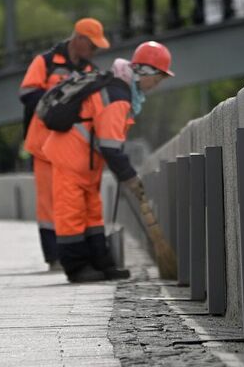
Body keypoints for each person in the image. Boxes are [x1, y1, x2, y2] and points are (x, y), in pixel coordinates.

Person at [38, 40, 173, 283]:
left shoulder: (116, 90)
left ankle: (102, 263)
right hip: (70, 158)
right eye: (158, 77)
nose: (157, 84)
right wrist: (130, 177)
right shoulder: (117, 97)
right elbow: (110, 147)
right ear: (144, 72)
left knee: (92, 214)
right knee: (71, 213)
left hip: (85, 163)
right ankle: (77, 268)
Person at [17, 18, 106, 269]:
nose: (95, 51)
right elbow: (27, 93)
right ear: (78, 39)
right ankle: (54, 257)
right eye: (92, 45)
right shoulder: (45, 63)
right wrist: (58, 104)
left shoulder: (91, 70)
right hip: (44, 146)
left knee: (75, 202)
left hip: (74, 150)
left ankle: (78, 255)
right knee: (48, 205)